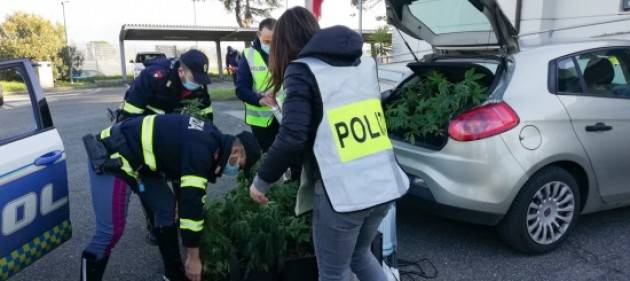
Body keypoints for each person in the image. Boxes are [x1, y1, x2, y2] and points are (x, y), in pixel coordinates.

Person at [248, 7, 409, 281]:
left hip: (344, 195)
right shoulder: (363, 65)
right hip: (383, 185)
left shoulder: (302, 70)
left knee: (333, 273)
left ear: (283, 42)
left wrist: (261, 181)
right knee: (360, 256)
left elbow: (292, 138)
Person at [81, 114, 261, 281]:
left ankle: (173, 275)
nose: (236, 170)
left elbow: (186, 191)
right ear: (236, 152)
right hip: (112, 154)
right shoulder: (202, 151)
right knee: (110, 231)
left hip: (141, 164)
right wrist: (193, 257)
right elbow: (191, 203)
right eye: (240, 166)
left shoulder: (212, 140)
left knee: (166, 207)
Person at [116, 49, 215, 245]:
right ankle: (155, 226)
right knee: (152, 182)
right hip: (145, 137)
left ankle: (184, 221)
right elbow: (129, 121)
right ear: (181, 71)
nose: (198, 84)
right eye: (194, 79)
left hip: (177, 138)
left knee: (184, 180)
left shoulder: (199, 84)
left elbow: (206, 117)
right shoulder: (154, 77)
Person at [235, 18, 280, 151]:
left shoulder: (284, 52)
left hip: (284, 116)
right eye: (267, 41)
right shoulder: (249, 55)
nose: (271, 45)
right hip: (261, 122)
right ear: (259, 35)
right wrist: (260, 100)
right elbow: (241, 90)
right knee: (268, 158)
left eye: (275, 41)